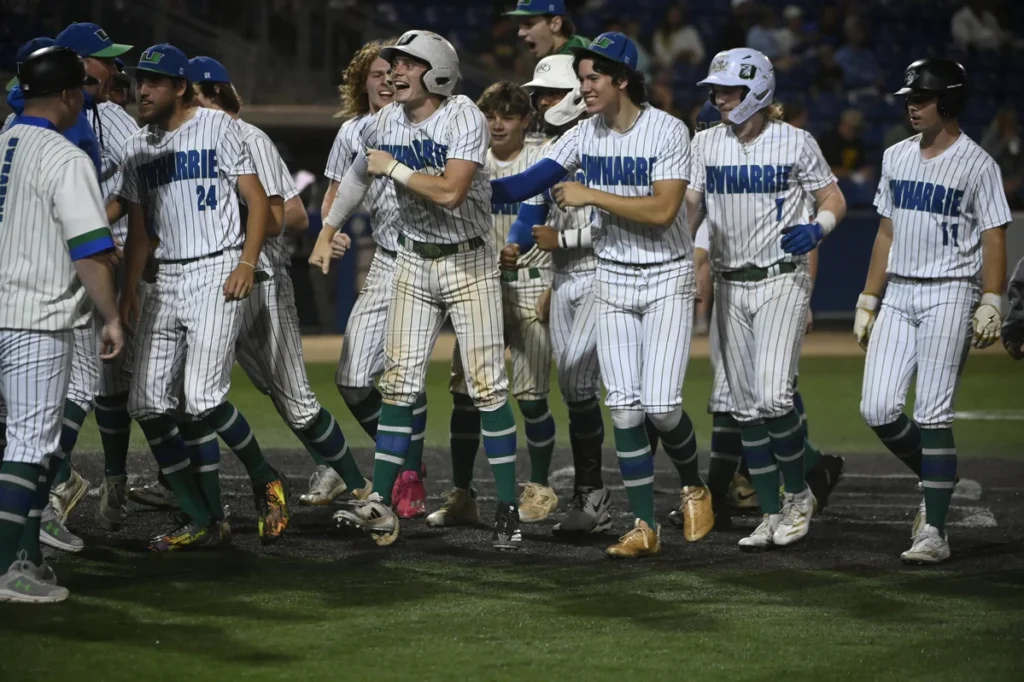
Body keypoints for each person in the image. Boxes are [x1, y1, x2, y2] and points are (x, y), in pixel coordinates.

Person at [494, 33, 710, 558]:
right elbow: (524, 185)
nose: (584, 87)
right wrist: (451, 182)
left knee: (661, 406)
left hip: (665, 278)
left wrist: (590, 193)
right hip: (612, 278)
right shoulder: (582, 134)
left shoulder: (667, 130)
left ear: (622, 80)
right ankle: (643, 526)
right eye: (582, 78)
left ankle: (694, 484)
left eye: (593, 78)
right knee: (626, 412)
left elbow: (663, 210)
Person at [310, 30, 524, 551]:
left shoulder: (464, 116)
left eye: (408, 63)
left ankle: (507, 507)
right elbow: (358, 174)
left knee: (487, 387)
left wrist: (394, 167)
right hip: (412, 258)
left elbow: (451, 192)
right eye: (394, 64)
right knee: (399, 385)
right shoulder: (385, 119)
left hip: (469, 261)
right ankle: (380, 503)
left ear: (438, 72)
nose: (395, 72)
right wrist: (327, 229)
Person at [188, 55, 370, 522]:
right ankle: (197, 499)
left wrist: (232, 220)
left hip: (261, 280)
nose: (186, 103)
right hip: (206, 284)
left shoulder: (248, 138)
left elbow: (294, 215)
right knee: (201, 396)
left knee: (295, 400)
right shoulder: (186, 142)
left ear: (215, 95)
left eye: (193, 94)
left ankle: (358, 487)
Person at [117, 43, 282, 551]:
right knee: (146, 403)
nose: (142, 90)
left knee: (204, 398)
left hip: (217, 268)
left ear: (180, 87)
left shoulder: (218, 127)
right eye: (139, 80)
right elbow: (140, 233)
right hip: (166, 279)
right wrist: (128, 291)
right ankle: (200, 517)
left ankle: (266, 480)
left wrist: (246, 263)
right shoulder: (137, 147)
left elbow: (257, 201)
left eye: (154, 81)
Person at [686, 48, 847, 551]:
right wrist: (677, 259)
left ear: (757, 89)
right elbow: (689, 210)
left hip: (782, 278)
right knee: (745, 408)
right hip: (730, 284)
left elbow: (833, 197)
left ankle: (798, 495)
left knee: (774, 396)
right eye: (715, 90)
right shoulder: (705, 143)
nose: (718, 98)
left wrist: (819, 227)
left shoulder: (796, 141)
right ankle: (771, 512)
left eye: (728, 90)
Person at [855, 58, 1010, 564]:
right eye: (909, 99)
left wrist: (992, 297)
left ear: (949, 101)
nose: (912, 106)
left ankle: (935, 532)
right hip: (899, 292)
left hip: (951, 291)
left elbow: (994, 234)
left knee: (932, 412)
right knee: (877, 408)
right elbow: (886, 233)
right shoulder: (896, 156)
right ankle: (938, 474)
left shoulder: (978, 164)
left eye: (921, 98)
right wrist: (868, 298)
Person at [0, 46, 121, 603]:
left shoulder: (3, 141)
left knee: (20, 443)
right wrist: (111, 315)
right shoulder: (64, 156)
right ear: (71, 94)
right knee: (30, 445)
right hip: (36, 316)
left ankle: (25, 556)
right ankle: (8, 571)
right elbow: (90, 250)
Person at [498, 54, 608, 536]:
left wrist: (561, 240)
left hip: (613, 274)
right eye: (538, 95)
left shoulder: (608, 142)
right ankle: (592, 495)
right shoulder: (555, 149)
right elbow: (530, 211)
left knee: (639, 398)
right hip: (566, 278)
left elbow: (627, 222)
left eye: (549, 94)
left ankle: (690, 484)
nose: (541, 102)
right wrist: (514, 244)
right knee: (578, 390)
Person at [323, 39, 428, 520]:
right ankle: (406, 460)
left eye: (394, 71)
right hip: (386, 259)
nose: (386, 80)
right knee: (351, 379)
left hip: (428, 259)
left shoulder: (427, 120)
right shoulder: (352, 132)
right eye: (376, 73)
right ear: (360, 81)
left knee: (409, 377)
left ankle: (408, 477)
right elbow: (335, 193)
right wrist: (331, 231)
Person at [506, 0, 589, 60]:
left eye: (529, 24)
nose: (520, 33)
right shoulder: (554, 55)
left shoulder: (575, 58)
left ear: (555, 24)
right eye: (519, 26)